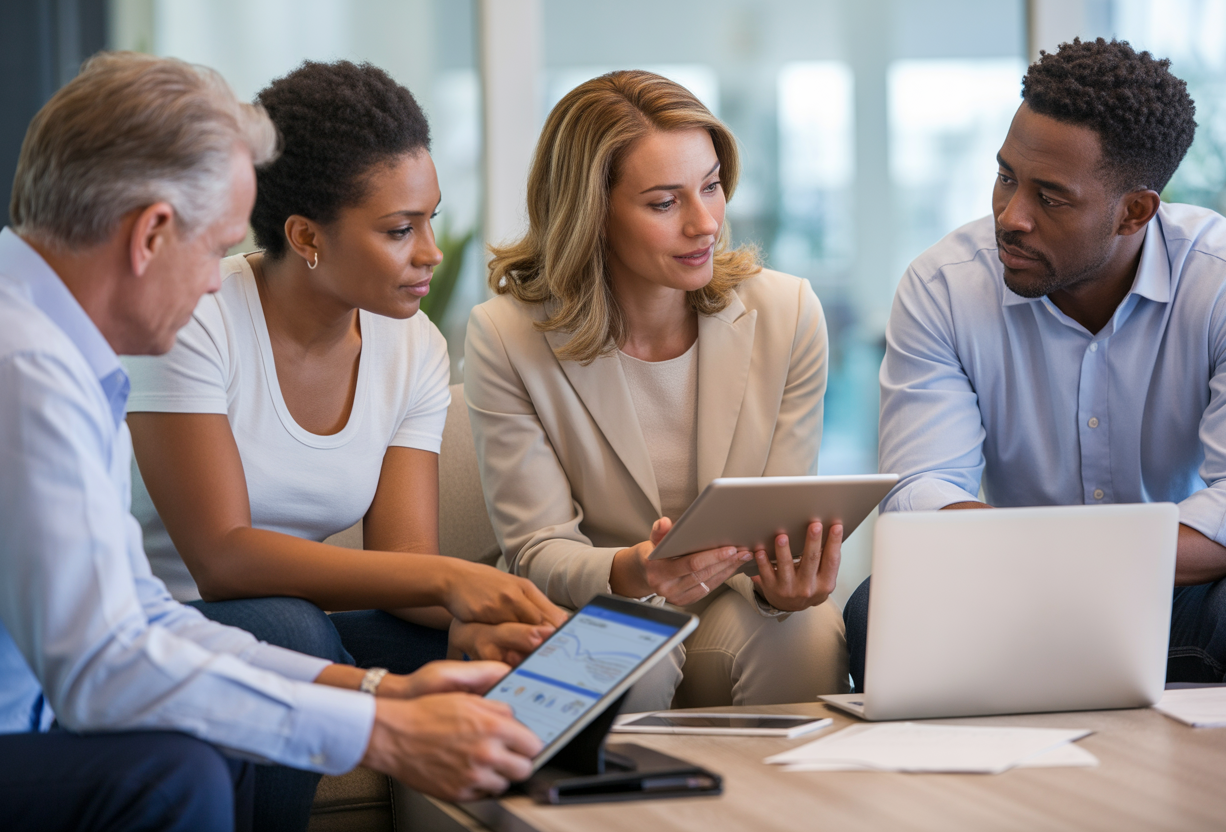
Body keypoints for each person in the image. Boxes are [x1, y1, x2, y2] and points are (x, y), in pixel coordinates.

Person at [0, 52, 543, 832]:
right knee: (174, 772)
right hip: (42, 716)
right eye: (213, 246)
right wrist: (378, 729)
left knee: (218, 733)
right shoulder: (27, 368)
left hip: (49, 707)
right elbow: (101, 665)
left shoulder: (56, 353)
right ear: (152, 233)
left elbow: (141, 618)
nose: (218, 279)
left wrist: (374, 693)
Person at [848, 38, 1226, 691]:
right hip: (1012, 596)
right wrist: (1064, 557)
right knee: (878, 608)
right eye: (1006, 176)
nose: (1011, 216)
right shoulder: (943, 285)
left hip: (1175, 594)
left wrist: (1071, 553)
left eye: (1051, 197)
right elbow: (918, 494)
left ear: (1135, 212)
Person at [465, 70, 850, 711]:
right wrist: (638, 571)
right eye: (665, 203)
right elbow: (537, 549)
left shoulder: (789, 313)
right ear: (591, 212)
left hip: (733, 608)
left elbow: (780, 518)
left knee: (806, 630)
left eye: (711, 186)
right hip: (601, 605)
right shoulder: (504, 336)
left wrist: (790, 581)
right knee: (624, 652)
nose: (705, 224)